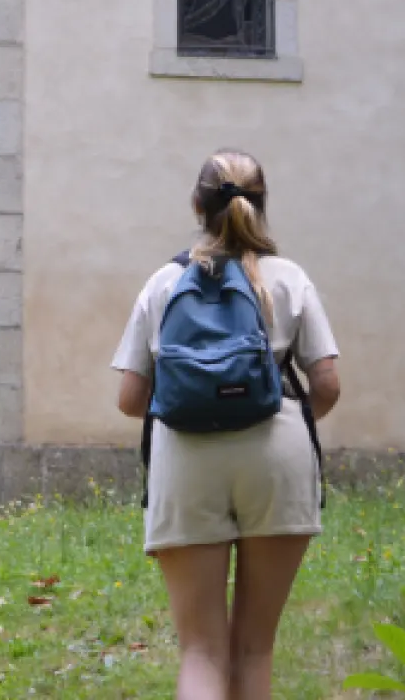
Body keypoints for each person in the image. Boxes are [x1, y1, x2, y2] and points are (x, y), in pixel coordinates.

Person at [111, 149, 343, 700]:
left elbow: (129, 398)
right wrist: (280, 413)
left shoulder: (165, 282)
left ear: (197, 204)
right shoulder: (289, 278)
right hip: (278, 452)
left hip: (186, 454)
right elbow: (327, 384)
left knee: (201, 651)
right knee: (254, 650)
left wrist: (197, 407)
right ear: (261, 206)